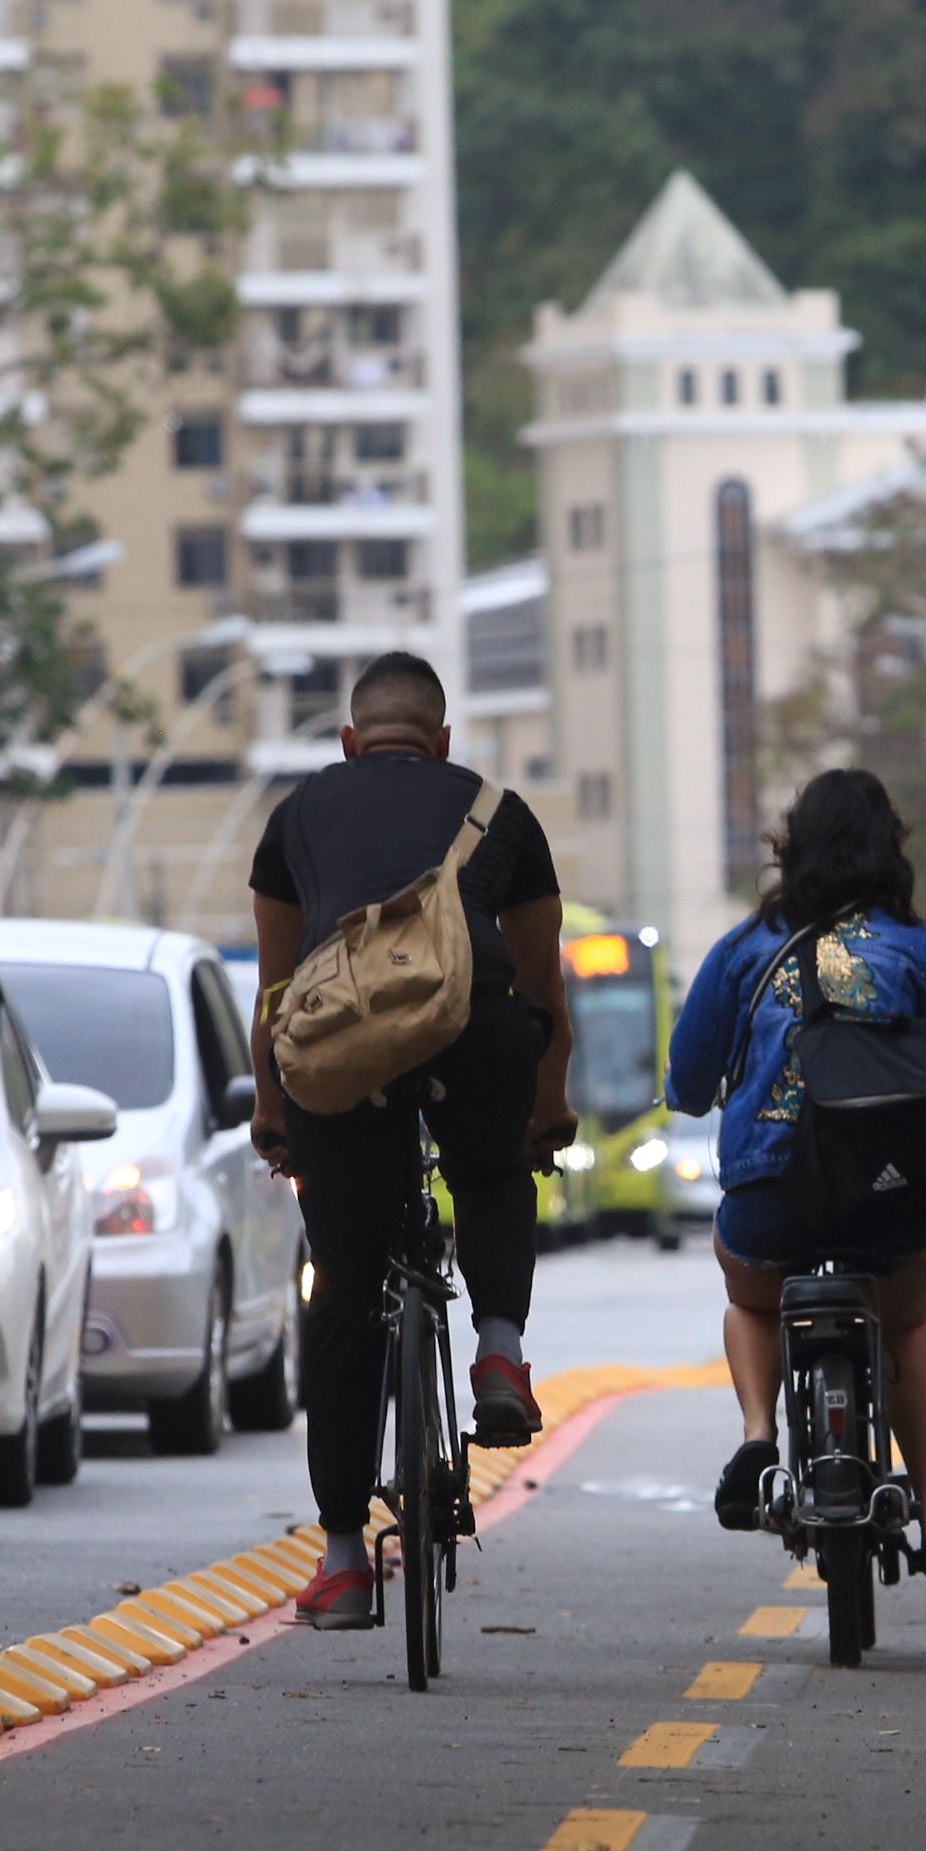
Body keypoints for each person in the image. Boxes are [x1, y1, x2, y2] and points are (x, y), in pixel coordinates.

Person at [249, 652, 575, 1629]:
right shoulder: (501, 812)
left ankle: (344, 1560)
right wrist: (543, 1108)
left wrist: (274, 1110)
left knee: (344, 1289)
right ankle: (501, 1352)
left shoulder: (295, 817)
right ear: (442, 741)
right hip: (471, 1028)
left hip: (341, 1048)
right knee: (490, 1171)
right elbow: (541, 991)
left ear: (350, 741)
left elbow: (275, 994)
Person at [665, 769, 926, 1573]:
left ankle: (758, 1437)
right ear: (891, 848)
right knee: (907, 1322)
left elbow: (685, 1082)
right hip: (893, 1199)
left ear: (792, 847)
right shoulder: (914, 947)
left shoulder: (744, 947)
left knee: (750, 1300)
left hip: (769, 1195)